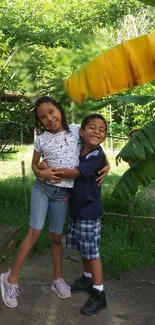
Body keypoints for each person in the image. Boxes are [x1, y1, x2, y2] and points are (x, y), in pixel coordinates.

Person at [0, 97, 109, 308]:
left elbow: (94, 145)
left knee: (56, 237)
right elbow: (34, 166)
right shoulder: (41, 139)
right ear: (39, 121)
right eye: (43, 117)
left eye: (52, 112)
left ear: (59, 109)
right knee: (35, 232)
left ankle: (57, 280)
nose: (49, 118)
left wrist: (108, 164)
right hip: (42, 189)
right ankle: (10, 279)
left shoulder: (77, 130)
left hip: (63, 194)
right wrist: (42, 173)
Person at [49, 113, 108, 316]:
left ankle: (99, 294)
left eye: (102, 130)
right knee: (83, 250)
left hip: (89, 213)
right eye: (91, 127)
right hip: (77, 211)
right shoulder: (79, 150)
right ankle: (87, 278)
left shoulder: (97, 156)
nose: (97, 131)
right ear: (81, 132)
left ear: (105, 137)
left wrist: (52, 171)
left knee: (92, 253)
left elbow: (75, 173)